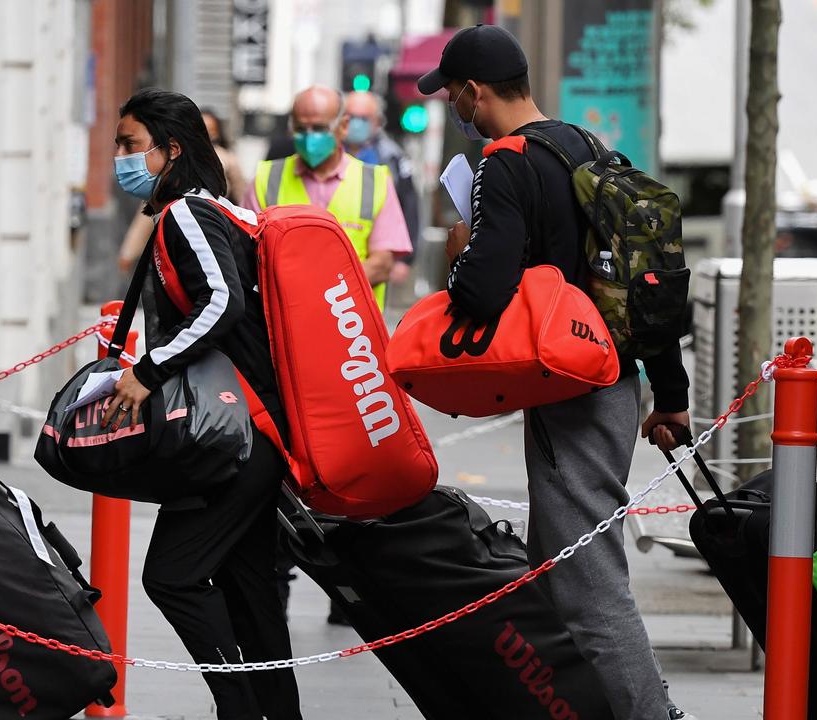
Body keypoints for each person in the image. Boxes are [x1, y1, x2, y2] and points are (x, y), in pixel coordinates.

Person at [418, 24, 695, 720]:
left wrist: (460, 250)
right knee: (555, 561)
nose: (452, 103)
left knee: (587, 582)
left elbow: (481, 293)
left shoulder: (505, 163)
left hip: (568, 388)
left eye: (452, 92)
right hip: (614, 381)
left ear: (475, 92)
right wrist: (673, 394)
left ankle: (650, 715)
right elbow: (642, 279)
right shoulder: (585, 148)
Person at [104, 87, 302, 720]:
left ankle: (239, 709)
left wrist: (148, 369)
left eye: (131, 145)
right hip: (256, 434)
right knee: (250, 594)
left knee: (173, 575)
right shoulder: (204, 210)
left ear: (171, 150)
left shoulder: (188, 214)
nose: (121, 157)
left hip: (238, 435)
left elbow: (222, 303)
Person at [242, 85, 411, 311]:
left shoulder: (375, 181)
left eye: (320, 128)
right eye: (301, 128)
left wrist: (319, 290)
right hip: (283, 326)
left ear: (342, 127)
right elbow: (247, 254)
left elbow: (381, 265)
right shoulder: (266, 178)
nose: (310, 137)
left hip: (355, 333)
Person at [117, 108, 246, 273]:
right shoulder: (173, 166)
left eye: (211, 134)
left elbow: (242, 199)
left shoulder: (227, 160)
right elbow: (145, 217)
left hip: (213, 233)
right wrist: (129, 251)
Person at [342, 91, 420, 285]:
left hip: (376, 261)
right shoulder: (329, 153)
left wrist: (405, 260)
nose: (355, 124)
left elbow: (409, 206)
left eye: (363, 118)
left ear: (377, 121)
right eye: (350, 117)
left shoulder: (392, 157)